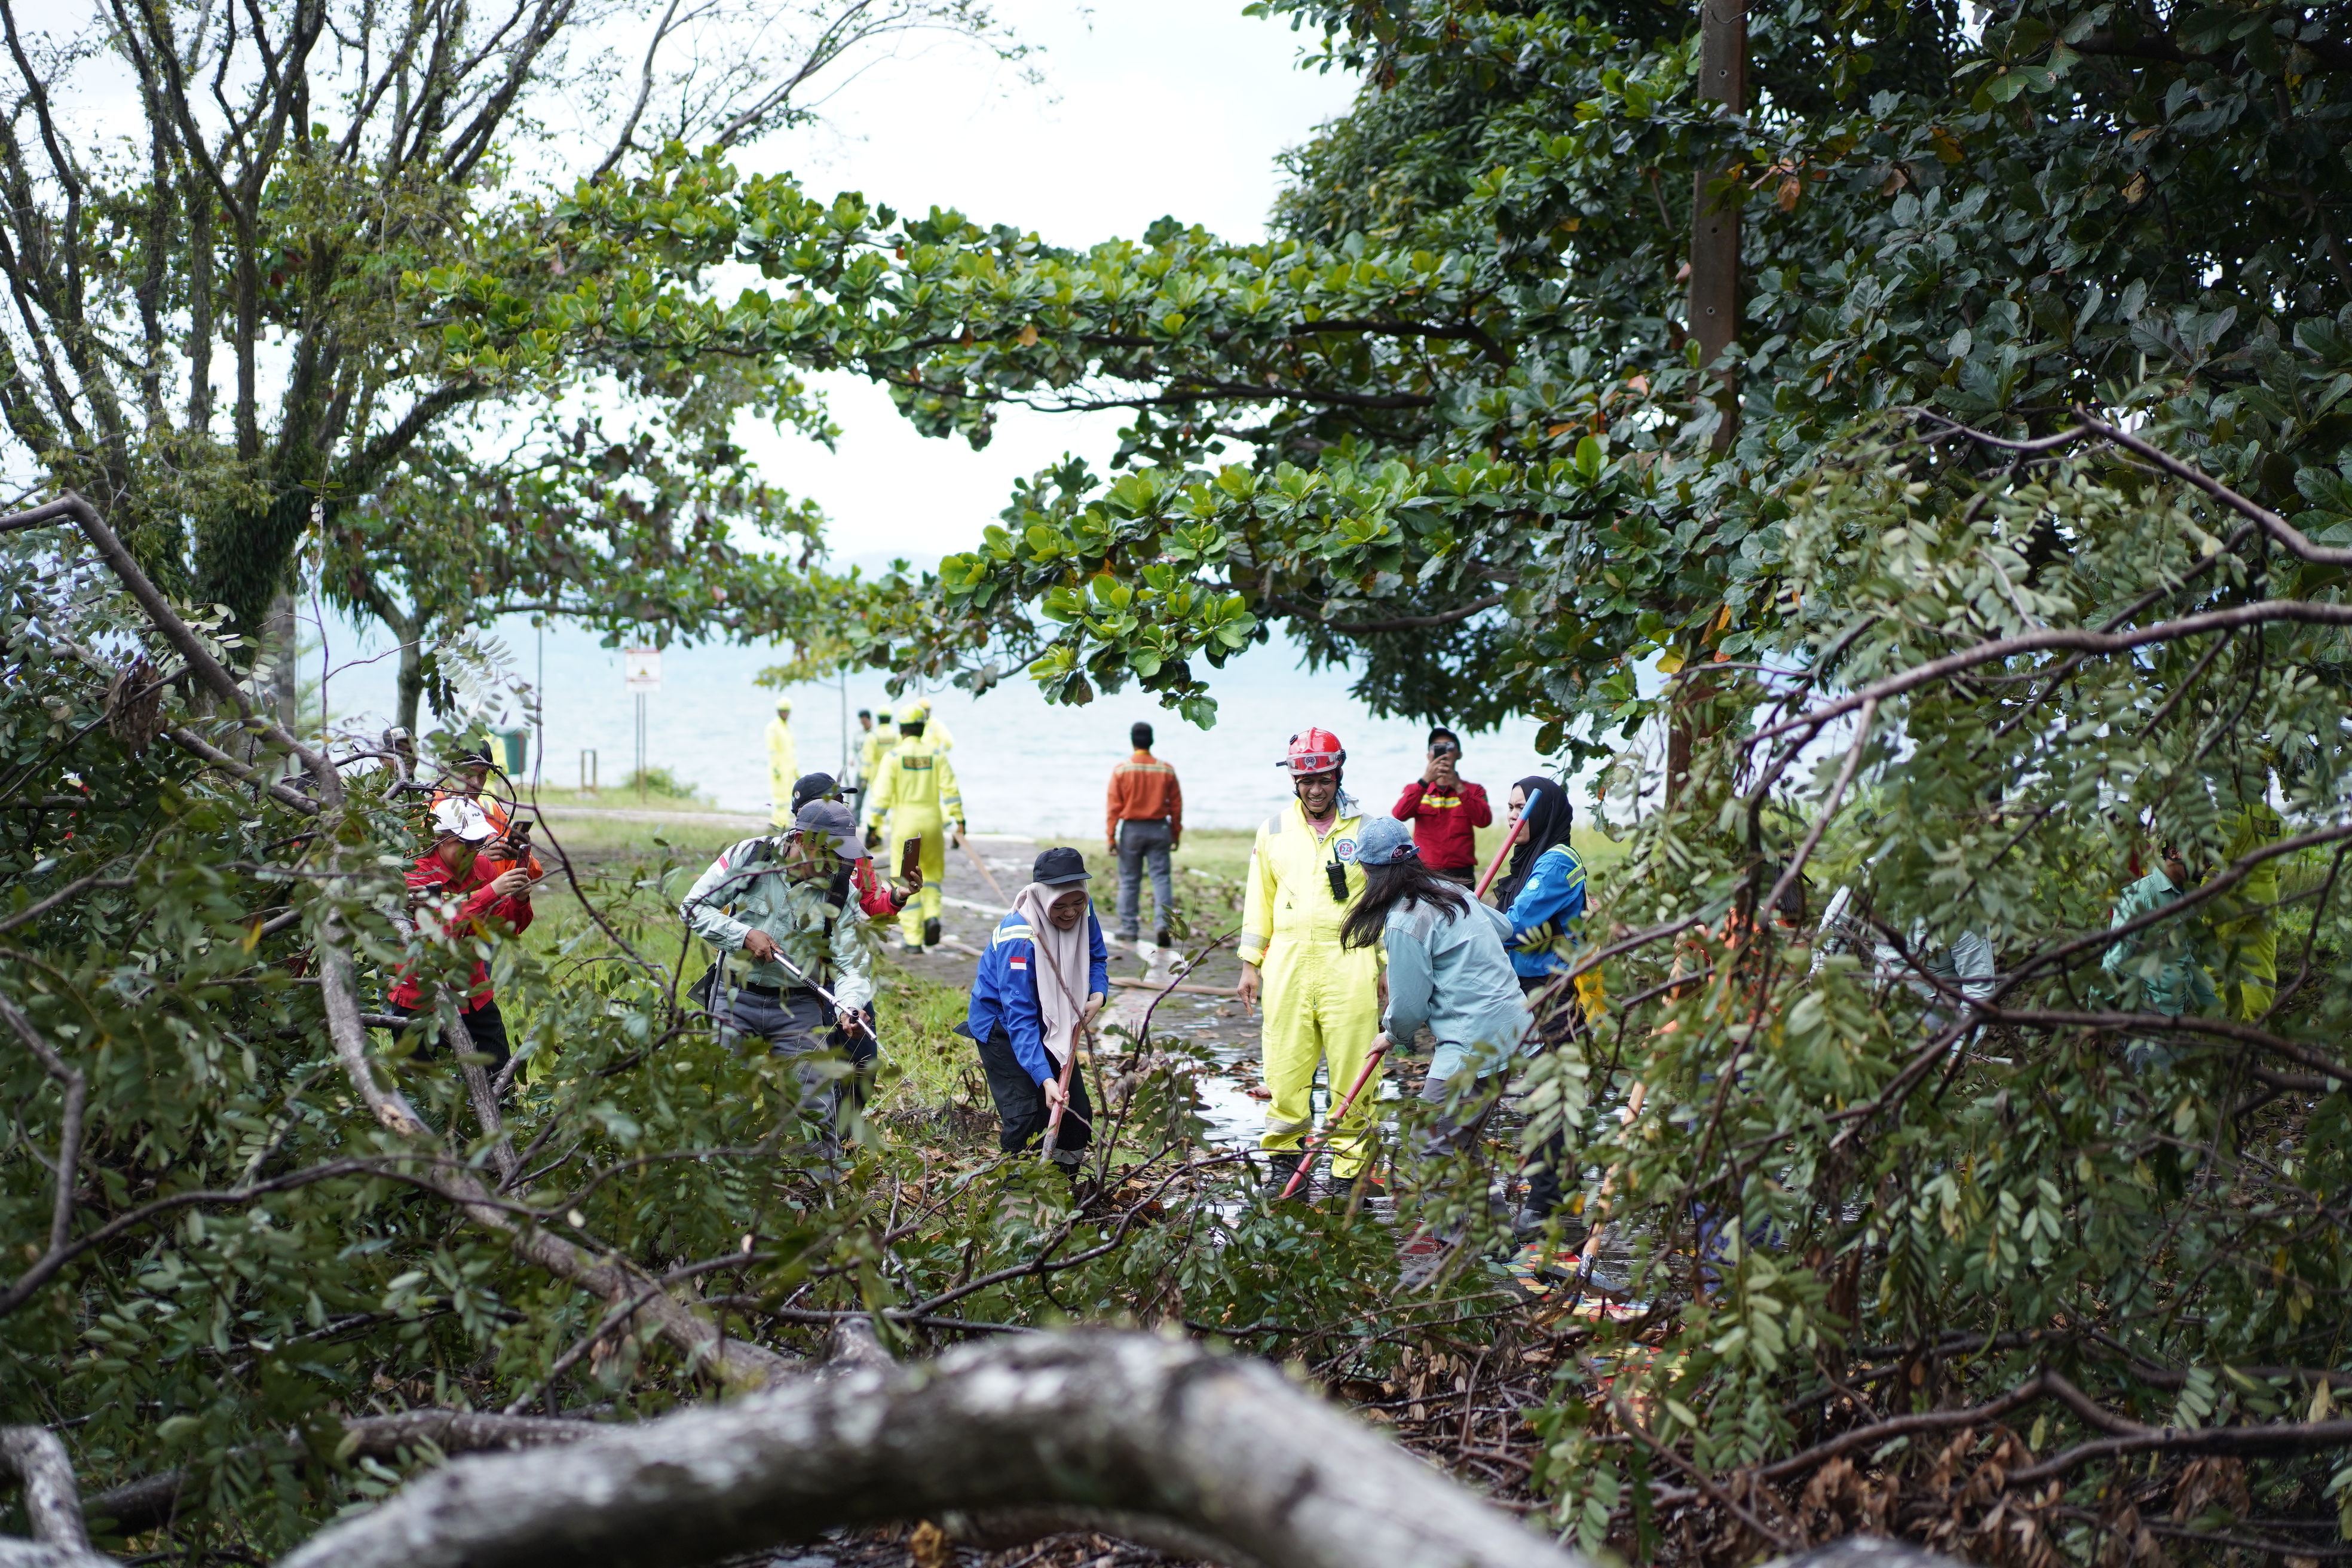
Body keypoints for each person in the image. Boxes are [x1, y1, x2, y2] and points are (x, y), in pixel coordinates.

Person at [679, 799, 877, 1147]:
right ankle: (724, 1174)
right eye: (829, 853)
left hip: (800, 1007)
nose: (838, 863)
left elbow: (852, 964)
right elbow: (693, 907)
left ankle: (820, 1179)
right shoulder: (749, 857)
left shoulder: (841, 889)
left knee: (814, 1110)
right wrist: (743, 935)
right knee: (726, 1102)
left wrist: (849, 1006)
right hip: (734, 997)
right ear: (801, 840)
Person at [1238, 727, 1384, 1197]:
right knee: (1285, 1068)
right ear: (1294, 782)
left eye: (1324, 780)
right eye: (1306, 782)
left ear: (1338, 776)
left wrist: (1385, 964)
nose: (1316, 790)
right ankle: (1286, 1162)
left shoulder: (1366, 830)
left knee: (1355, 1069)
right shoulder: (1273, 831)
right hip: (1288, 966)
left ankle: (1349, 1171)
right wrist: (1250, 963)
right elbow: (1259, 899)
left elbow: (1383, 903)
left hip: (1352, 964)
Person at [1341, 817, 1530, 1165]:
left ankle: (1446, 1206)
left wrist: (1392, 1035)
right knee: (1460, 1146)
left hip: (1473, 1041)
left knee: (1429, 1148)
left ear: (1368, 871)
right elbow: (1504, 928)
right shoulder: (1451, 890)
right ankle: (1486, 1205)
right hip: (1515, 1027)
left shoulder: (1405, 920)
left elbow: (1409, 1008)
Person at [962, 847, 1110, 1171]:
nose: (1070, 913)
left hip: (1055, 1015)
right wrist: (1044, 1078)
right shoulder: (1019, 938)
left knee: (1076, 1115)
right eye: (1060, 906)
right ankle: (1015, 1192)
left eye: (1077, 902)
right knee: (1027, 1115)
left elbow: (1096, 956)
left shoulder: (1084, 909)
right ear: (1043, 899)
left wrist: (1099, 993)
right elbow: (1020, 1015)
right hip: (1003, 1025)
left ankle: (1061, 1188)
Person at [1493, 777, 1594, 1234]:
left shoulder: (1557, 860)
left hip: (1551, 991)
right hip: (1524, 988)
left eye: (1522, 809)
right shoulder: (1530, 859)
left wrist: (1466, 916)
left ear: (1544, 811)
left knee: (1551, 1097)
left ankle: (1548, 1204)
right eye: (1511, 808)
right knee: (1537, 1095)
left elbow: (1516, 925)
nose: (1513, 817)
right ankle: (1553, 1197)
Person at [387, 798, 536, 1075]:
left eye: (477, 842)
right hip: (421, 997)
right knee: (422, 1088)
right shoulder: (416, 875)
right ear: (440, 839)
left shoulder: (483, 868)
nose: (472, 850)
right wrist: (490, 892)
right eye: (464, 842)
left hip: (473, 993)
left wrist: (519, 900)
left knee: (500, 1080)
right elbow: (439, 936)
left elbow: (503, 927)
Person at [2102, 838, 2218, 1067]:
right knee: (2153, 1082)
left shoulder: (2189, 901)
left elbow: (2190, 964)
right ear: (2174, 852)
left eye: (2210, 860)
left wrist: (2218, 1017)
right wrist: (2095, 1018)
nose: (2206, 867)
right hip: (2146, 1015)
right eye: (2202, 857)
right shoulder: (2140, 896)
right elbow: (2115, 961)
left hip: (2174, 1016)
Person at [860, 700, 965, 950]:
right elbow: (951, 790)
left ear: (901, 729)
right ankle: (932, 917)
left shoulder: (894, 757)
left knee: (905, 879)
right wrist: (960, 821)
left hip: (905, 824)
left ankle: (913, 938)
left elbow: (881, 797)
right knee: (933, 875)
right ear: (923, 727)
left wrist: (873, 827)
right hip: (933, 822)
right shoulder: (937, 755)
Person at [797, 771, 920, 923]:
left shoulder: (855, 854)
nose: (841, 811)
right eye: (832, 804)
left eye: (842, 804)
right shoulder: (781, 857)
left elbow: (874, 904)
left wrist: (899, 895)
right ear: (804, 812)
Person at [1106, 720, 1183, 948]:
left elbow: (1113, 807)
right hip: (1159, 829)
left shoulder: (1122, 770)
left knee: (1129, 880)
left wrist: (1111, 836)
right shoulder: (1166, 769)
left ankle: (1129, 928)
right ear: (1152, 741)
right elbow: (1176, 805)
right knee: (1161, 878)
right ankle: (1163, 925)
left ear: (1133, 742)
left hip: (1132, 830)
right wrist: (1175, 833)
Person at [1391, 727, 1492, 885]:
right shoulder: (1416, 789)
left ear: (1459, 754)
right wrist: (1425, 781)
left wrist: (1458, 787)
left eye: (1449, 747)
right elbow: (1399, 814)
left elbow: (1484, 821)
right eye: (1437, 747)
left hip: (1461, 873)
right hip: (1425, 871)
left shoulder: (1474, 790)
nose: (1444, 752)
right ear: (1429, 756)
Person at [429, 742, 512, 836]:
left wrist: (518, 845)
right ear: (444, 770)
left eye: (482, 774)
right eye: (468, 773)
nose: (476, 783)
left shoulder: (494, 813)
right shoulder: (425, 815)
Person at [853, 708, 896, 820]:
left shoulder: (873, 736)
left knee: (876, 798)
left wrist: (864, 777)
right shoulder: (896, 735)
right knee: (890, 797)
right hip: (891, 771)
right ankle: (890, 818)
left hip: (874, 772)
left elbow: (868, 759)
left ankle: (874, 821)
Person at [766, 696, 798, 828]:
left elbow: (790, 750)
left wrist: (796, 770)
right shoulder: (773, 728)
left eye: (787, 711)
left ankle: (783, 822)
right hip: (779, 769)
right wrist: (775, 766)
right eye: (783, 711)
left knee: (788, 797)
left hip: (789, 769)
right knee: (780, 797)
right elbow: (772, 750)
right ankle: (777, 822)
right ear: (778, 711)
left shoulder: (787, 728)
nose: (786, 714)